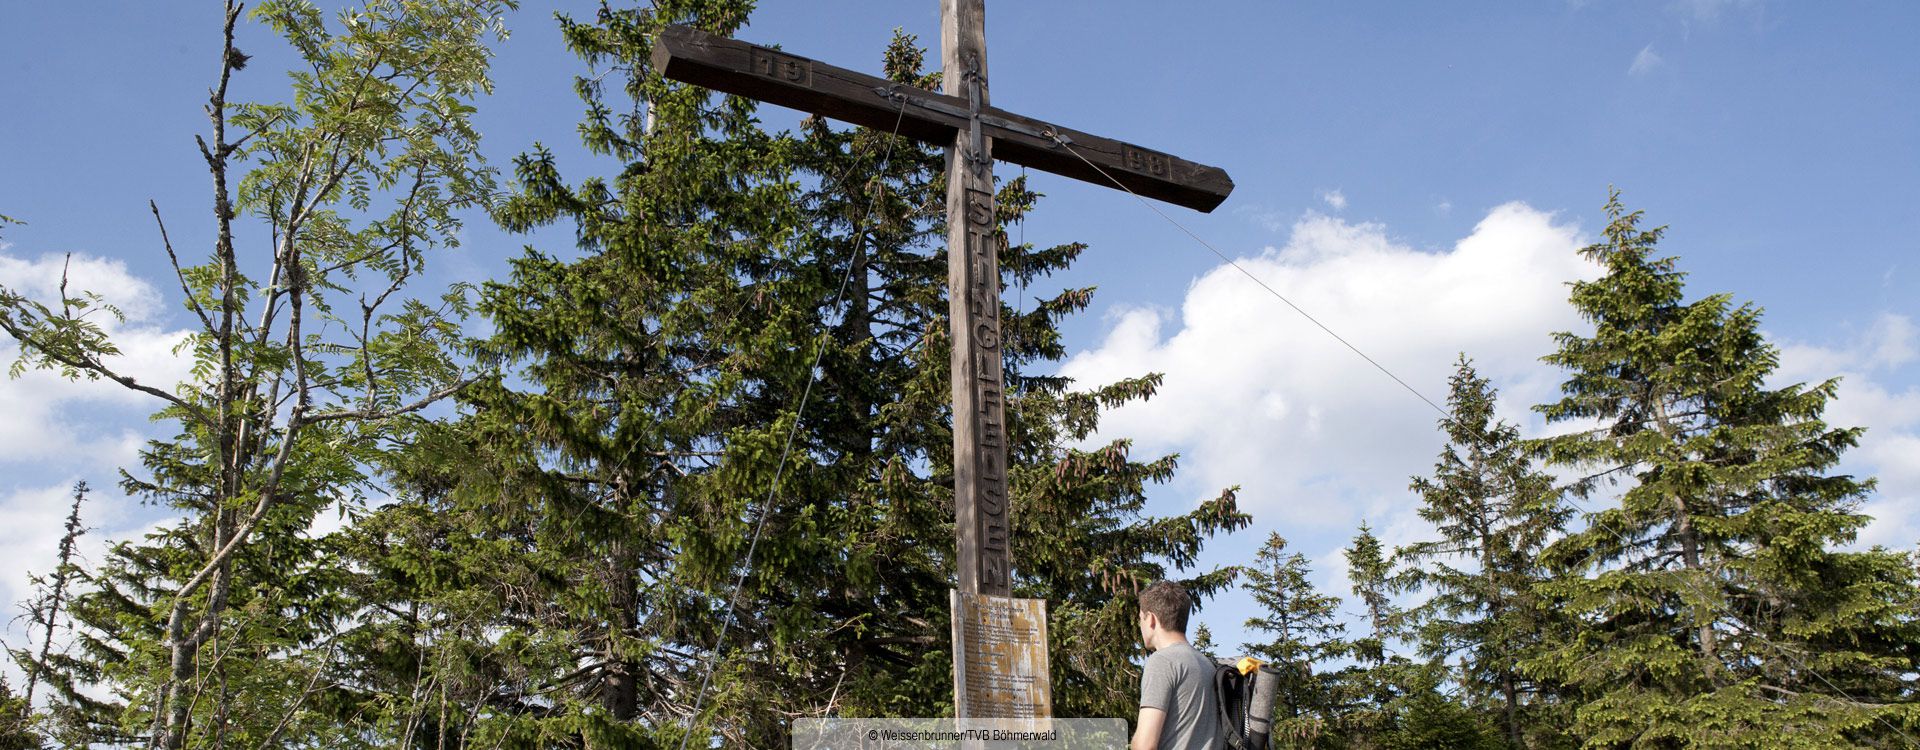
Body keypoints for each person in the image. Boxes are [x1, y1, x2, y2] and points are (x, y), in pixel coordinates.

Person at [1131, 580, 1220, 750]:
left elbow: (1145, 745)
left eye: (1140, 618)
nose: (1140, 624)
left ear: (1151, 619)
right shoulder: (1208, 664)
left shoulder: (1162, 661)